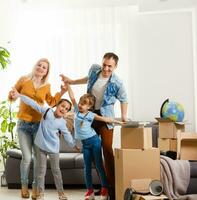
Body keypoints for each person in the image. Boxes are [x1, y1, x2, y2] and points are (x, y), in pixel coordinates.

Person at [60, 52, 128, 200]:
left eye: (110, 66)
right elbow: (87, 79)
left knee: (107, 149)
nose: (106, 68)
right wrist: (71, 81)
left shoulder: (117, 82)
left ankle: (113, 188)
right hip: (90, 114)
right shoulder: (94, 70)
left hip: (105, 117)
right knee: (93, 154)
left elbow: (124, 99)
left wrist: (123, 116)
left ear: (115, 66)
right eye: (104, 64)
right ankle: (104, 186)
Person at [8, 58, 66, 199]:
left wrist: (62, 92)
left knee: (37, 159)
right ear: (35, 66)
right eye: (39, 65)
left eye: (44, 67)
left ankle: (35, 188)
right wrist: (12, 95)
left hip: (38, 126)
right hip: (23, 125)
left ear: (46, 72)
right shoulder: (23, 80)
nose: (41, 68)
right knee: (27, 157)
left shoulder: (46, 86)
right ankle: (23, 186)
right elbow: (12, 96)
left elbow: (52, 102)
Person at [67, 84, 122, 200]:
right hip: (85, 145)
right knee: (86, 167)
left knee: (99, 165)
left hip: (95, 141)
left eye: (84, 103)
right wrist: (68, 85)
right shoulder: (76, 111)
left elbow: (105, 119)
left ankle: (104, 189)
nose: (81, 105)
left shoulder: (91, 115)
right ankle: (89, 191)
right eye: (81, 102)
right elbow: (72, 97)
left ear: (90, 107)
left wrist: (119, 122)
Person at [19, 94, 79, 200]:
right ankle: (40, 194)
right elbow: (33, 104)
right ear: (57, 105)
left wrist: (73, 145)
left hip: (53, 149)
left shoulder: (62, 123)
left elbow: (67, 135)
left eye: (66, 109)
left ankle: (61, 193)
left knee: (56, 171)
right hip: (41, 146)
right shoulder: (47, 111)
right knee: (41, 171)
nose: (63, 109)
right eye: (62, 106)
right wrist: (20, 95)